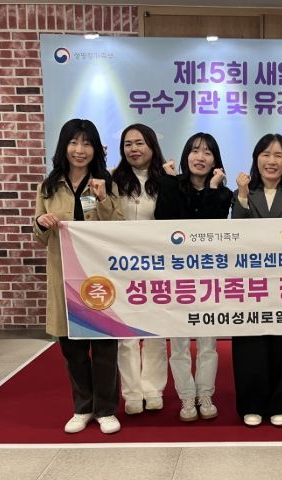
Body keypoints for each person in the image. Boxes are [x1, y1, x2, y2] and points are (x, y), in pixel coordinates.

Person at [33, 118, 124, 434]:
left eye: (87, 143)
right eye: (74, 142)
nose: (80, 149)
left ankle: (106, 409)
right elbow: (40, 236)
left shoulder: (105, 183)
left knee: (104, 347)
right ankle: (82, 407)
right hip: (64, 277)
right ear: (64, 146)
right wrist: (42, 223)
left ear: (96, 148)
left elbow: (119, 229)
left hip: (98, 278)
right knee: (72, 347)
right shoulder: (48, 187)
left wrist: (103, 199)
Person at [155, 132, 233, 422]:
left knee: (208, 342)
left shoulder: (223, 193)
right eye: (195, 151)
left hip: (209, 277)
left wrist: (211, 189)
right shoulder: (171, 185)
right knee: (178, 343)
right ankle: (186, 397)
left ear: (215, 161)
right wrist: (168, 182)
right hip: (177, 276)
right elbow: (166, 221)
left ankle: (205, 394)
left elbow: (210, 230)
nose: (200, 157)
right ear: (186, 155)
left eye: (207, 152)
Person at [231, 133, 282, 428]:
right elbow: (236, 235)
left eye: (278, 155)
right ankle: (251, 403)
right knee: (249, 343)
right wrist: (241, 196)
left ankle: (281, 402)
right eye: (265, 154)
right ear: (256, 159)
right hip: (250, 283)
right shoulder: (242, 193)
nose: (271, 161)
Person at [112, 124, 169, 415]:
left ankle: (153, 389)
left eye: (140, 143)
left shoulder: (167, 180)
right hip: (121, 266)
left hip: (157, 266)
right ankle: (132, 392)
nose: (134, 149)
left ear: (151, 146)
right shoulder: (112, 179)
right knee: (126, 334)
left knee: (156, 331)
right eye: (128, 144)